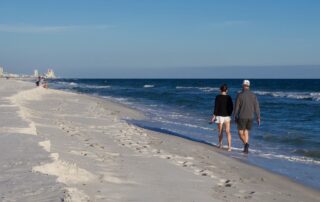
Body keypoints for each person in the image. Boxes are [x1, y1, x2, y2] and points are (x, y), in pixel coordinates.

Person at [234, 80, 260, 154]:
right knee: (246, 132)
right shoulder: (253, 95)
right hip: (251, 117)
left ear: (243, 85)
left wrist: (235, 116)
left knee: (240, 133)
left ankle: (246, 144)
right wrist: (258, 117)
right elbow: (257, 107)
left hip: (242, 116)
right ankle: (246, 149)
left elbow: (236, 107)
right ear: (248, 86)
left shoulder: (240, 95)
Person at [210, 84, 233, 151]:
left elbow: (216, 107)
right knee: (228, 131)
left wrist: (214, 116)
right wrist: (229, 113)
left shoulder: (218, 97)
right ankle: (229, 147)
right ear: (227, 90)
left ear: (220, 90)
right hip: (227, 116)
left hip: (219, 116)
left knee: (220, 131)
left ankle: (220, 145)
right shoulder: (229, 97)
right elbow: (231, 107)